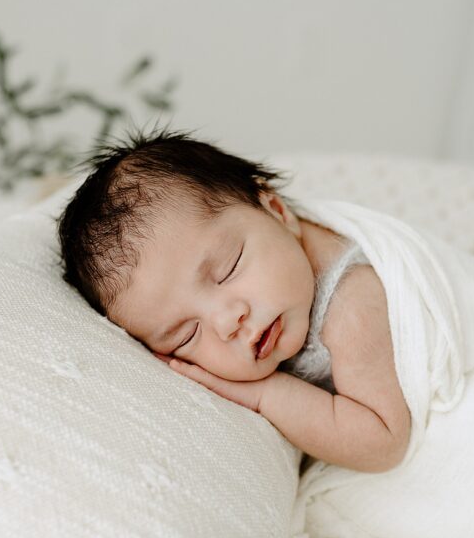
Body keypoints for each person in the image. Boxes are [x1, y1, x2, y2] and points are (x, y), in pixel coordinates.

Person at [57, 128, 411, 474]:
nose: (228, 322)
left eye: (228, 269)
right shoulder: (279, 284)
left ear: (276, 210)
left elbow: (384, 442)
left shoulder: (353, 303)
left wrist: (267, 396)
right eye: (187, 335)